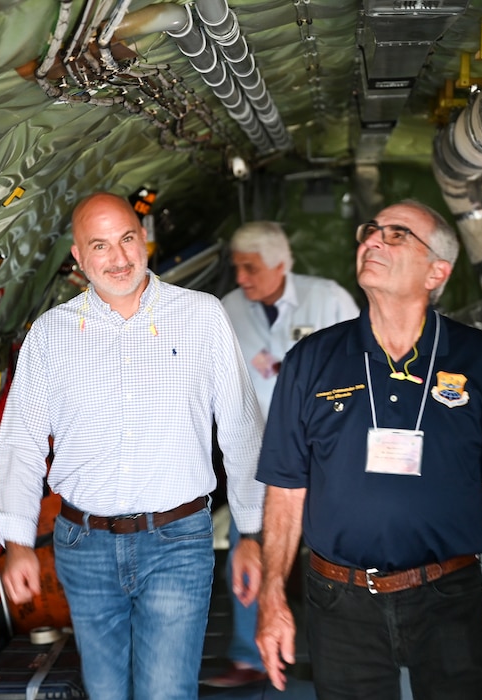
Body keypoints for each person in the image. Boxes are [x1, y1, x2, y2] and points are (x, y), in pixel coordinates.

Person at [0, 192, 265, 700]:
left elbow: (242, 429)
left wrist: (252, 532)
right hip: (82, 544)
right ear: (77, 257)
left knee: (167, 691)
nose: (118, 258)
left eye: (127, 239)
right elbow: (21, 442)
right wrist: (17, 542)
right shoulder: (50, 335)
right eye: (100, 245)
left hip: (178, 541)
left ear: (144, 240)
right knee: (106, 690)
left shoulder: (202, 316)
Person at [255, 199, 482, 699]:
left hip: (449, 595)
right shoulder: (311, 361)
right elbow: (286, 489)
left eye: (397, 234)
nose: (372, 241)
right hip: (339, 600)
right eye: (370, 231)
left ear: (436, 272)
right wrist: (273, 594)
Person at [204, 221, 359, 688]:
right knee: (247, 547)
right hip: (256, 455)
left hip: (325, 453)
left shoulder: (327, 299)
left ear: (280, 265)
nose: (242, 278)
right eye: (238, 268)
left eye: (250, 268)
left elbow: (363, 365)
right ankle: (249, 656)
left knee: (334, 556)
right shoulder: (229, 310)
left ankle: (344, 659)